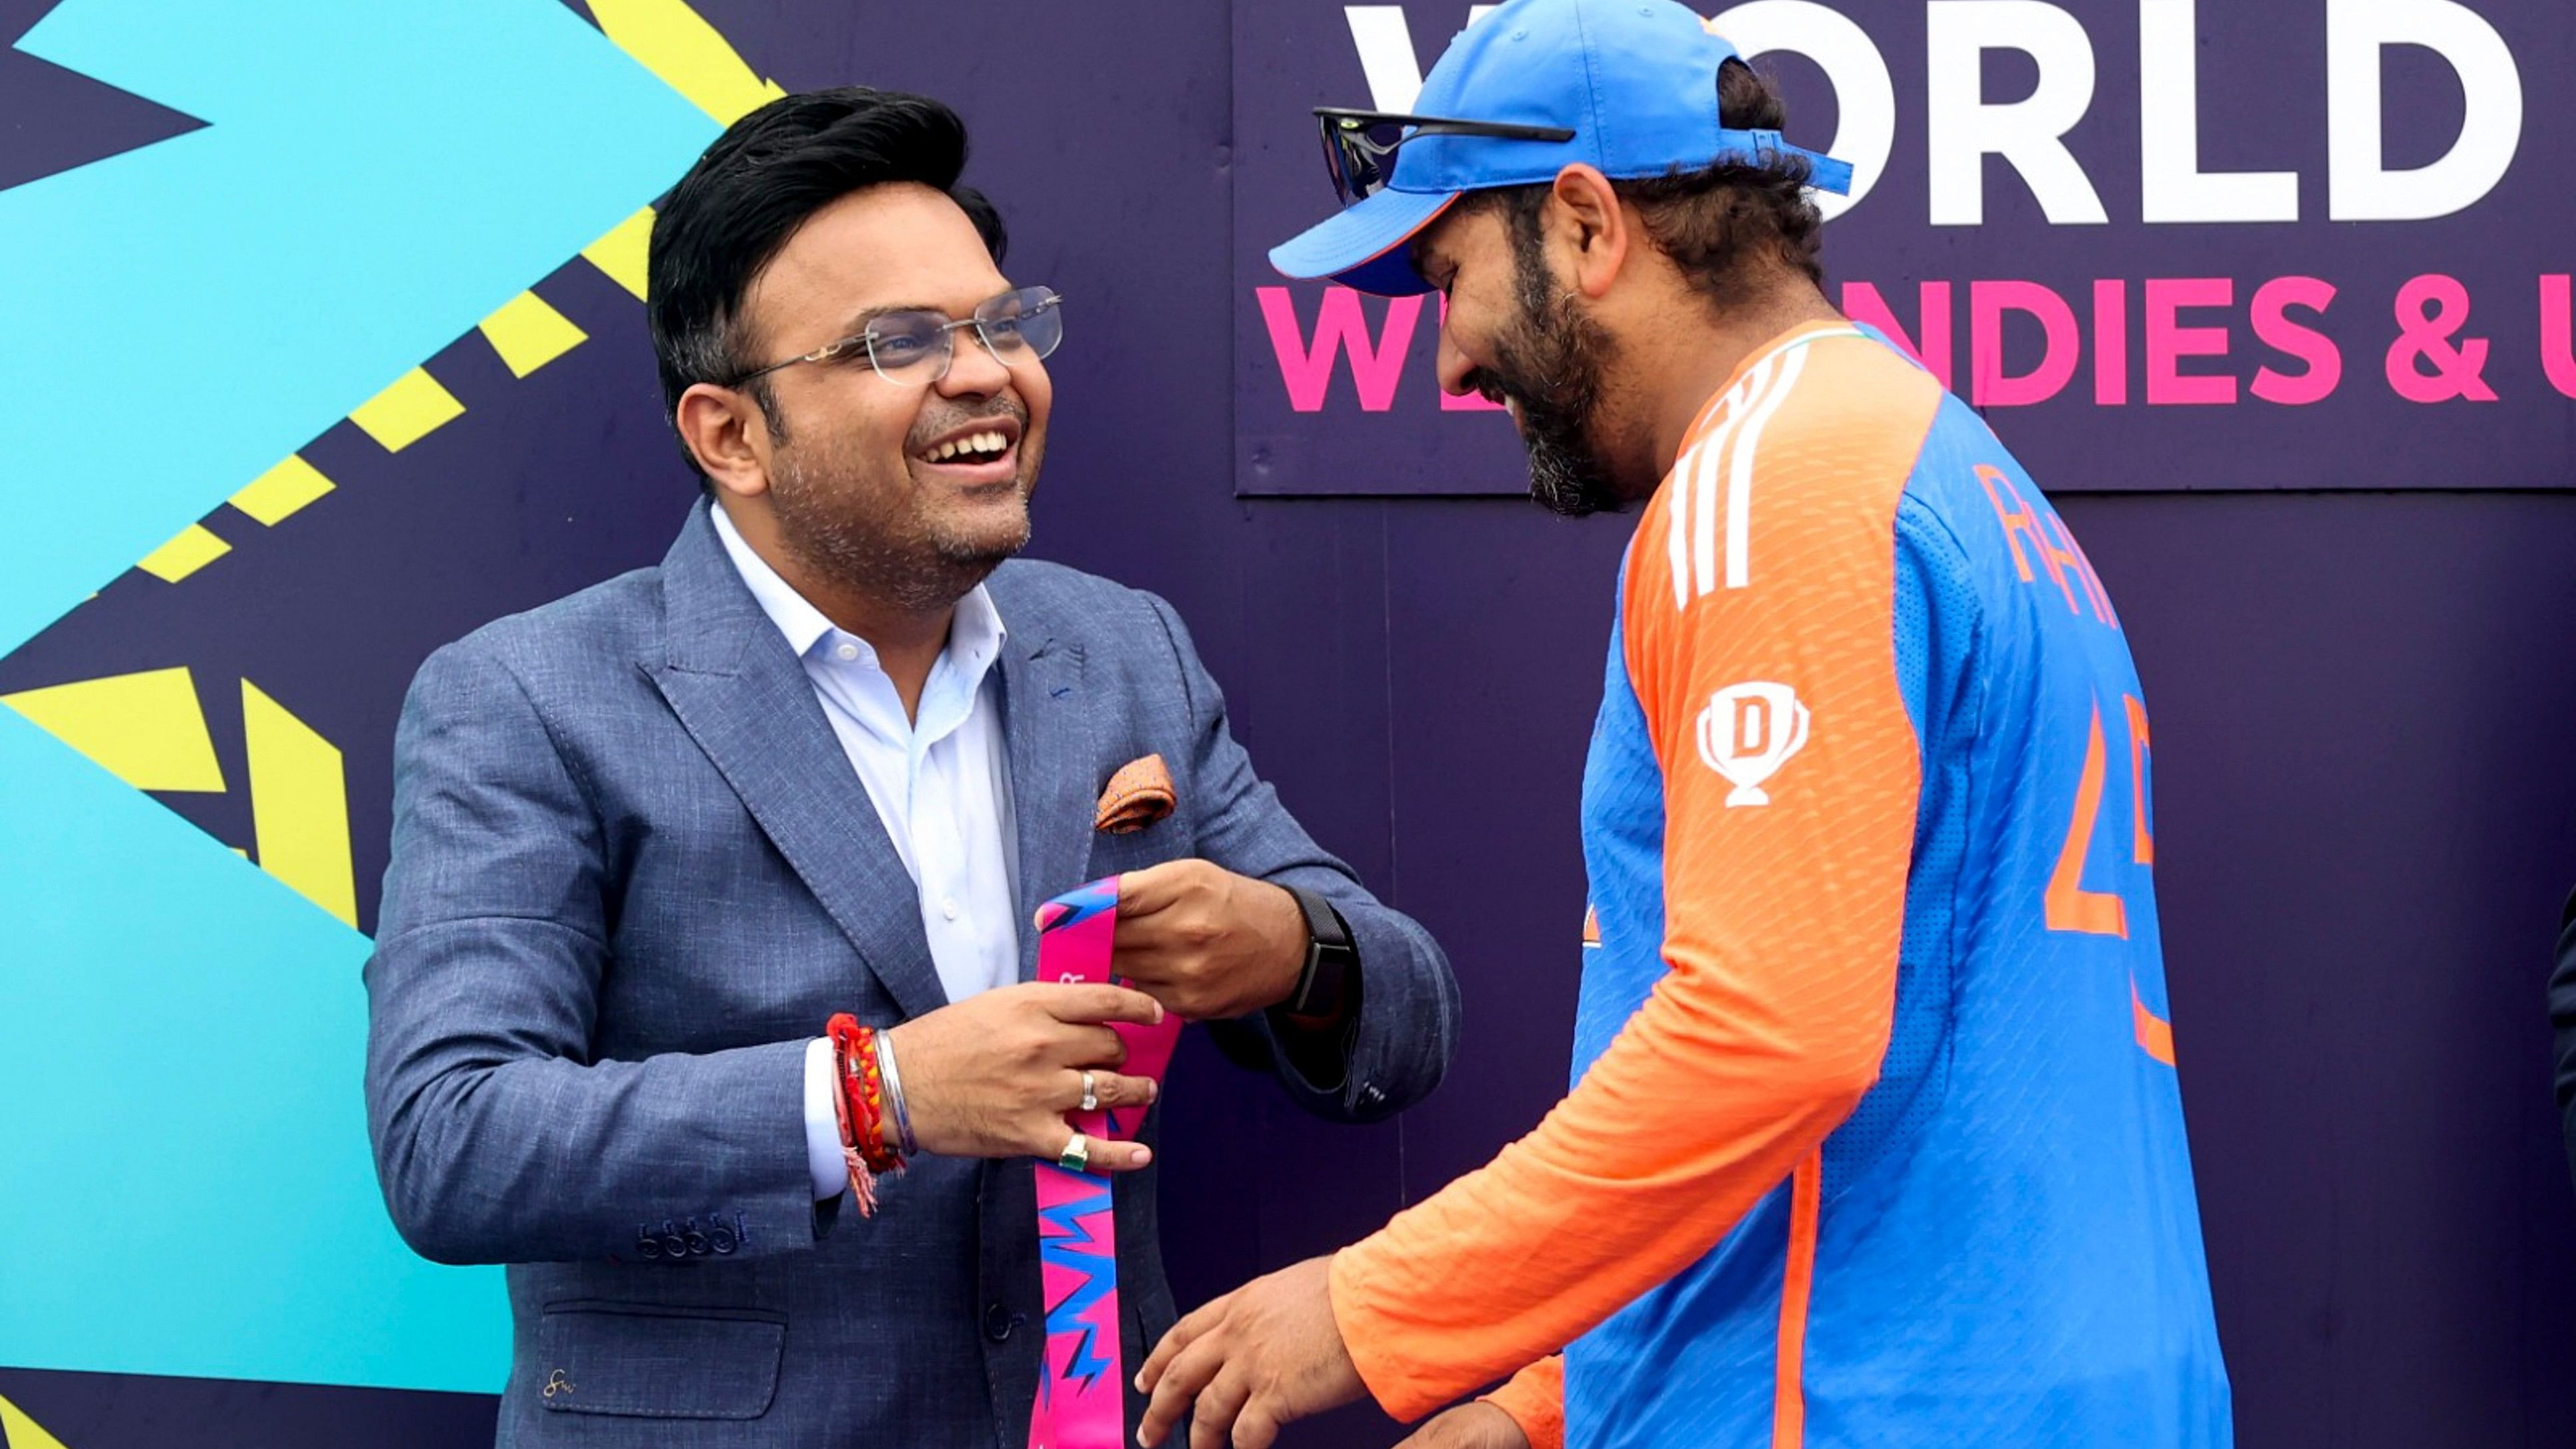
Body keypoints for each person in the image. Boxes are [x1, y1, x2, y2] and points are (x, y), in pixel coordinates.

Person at [1133, 2, 2231, 1446]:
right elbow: (1893, 1036)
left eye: (1448, 275)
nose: (1451, 365)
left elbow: (1766, 1034)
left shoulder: (1766, 480)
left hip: (1863, 1401)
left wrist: (1366, 1306)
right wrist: (1548, 1398)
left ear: (1586, 224)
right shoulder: (1940, 460)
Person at [362, 86, 1459, 1446]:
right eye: (899, 341)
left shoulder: (1122, 652)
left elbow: (1406, 1019)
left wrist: (1292, 950)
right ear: (730, 435)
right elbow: (453, 1138)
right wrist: (877, 1099)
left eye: (1004, 323)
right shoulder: (529, 697)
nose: (985, 371)